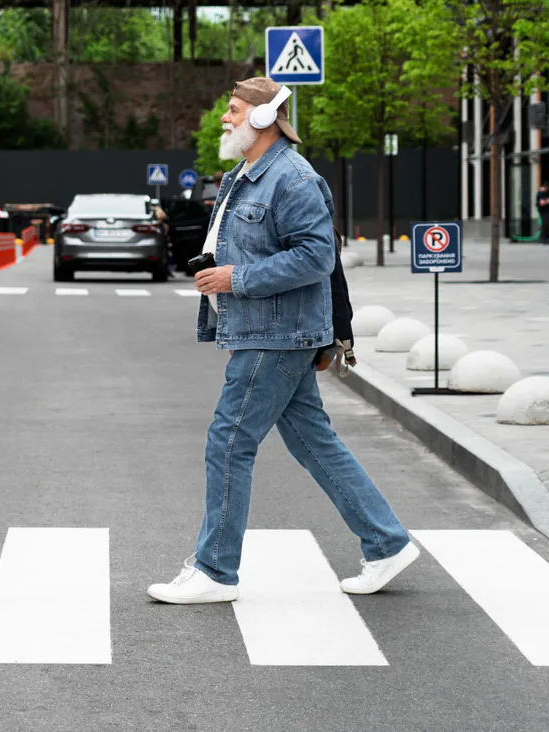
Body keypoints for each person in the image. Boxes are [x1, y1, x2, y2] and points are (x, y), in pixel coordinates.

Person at [147, 77, 418, 606]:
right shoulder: (244, 175)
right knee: (312, 440)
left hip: (277, 334)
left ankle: (215, 570)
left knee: (229, 442)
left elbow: (316, 257)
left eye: (233, 110)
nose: (224, 118)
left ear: (263, 117)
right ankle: (387, 542)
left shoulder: (292, 179)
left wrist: (236, 279)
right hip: (265, 329)